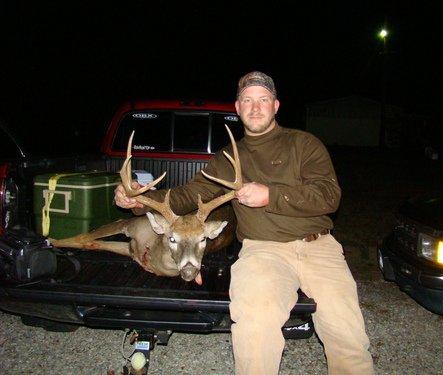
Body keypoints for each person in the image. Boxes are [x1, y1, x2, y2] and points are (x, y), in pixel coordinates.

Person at [114, 71, 374, 374]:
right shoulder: (228, 158)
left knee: (347, 335)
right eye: (247, 100)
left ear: (276, 105)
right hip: (263, 251)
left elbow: (329, 196)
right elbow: (188, 195)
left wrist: (270, 195)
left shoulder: (304, 144)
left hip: (320, 248)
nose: (255, 107)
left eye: (263, 100)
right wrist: (139, 201)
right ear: (238, 108)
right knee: (254, 323)